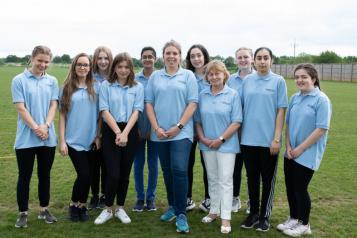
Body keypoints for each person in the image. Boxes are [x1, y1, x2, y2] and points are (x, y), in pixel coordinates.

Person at [145, 40, 198, 233]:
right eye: (168, 53)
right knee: (167, 171)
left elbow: (193, 103)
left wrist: (179, 126)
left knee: (179, 169)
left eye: (175, 53)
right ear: (163, 56)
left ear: (180, 55)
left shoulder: (188, 76)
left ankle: (182, 213)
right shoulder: (155, 77)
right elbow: (149, 103)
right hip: (159, 133)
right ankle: (172, 207)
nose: (171, 56)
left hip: (181, 133)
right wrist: (156, 127)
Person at [278, 63, 332, 237]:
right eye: (297, 77)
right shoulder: (294, 97)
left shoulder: (321, 99)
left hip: (307, 152)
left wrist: (300, 149)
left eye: (304, 77)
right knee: (290, 187)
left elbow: (321, 129)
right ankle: (294, 218)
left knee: (300, 188)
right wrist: (288, 146)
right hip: (291, 152)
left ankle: (305, 224)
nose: (300, 80)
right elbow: (288, 124)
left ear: (313, 79)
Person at [240, 47, 288, 232]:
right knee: (252, 178)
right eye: (259, 58)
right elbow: (242, 108)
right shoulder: (248, 81)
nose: (262, 61)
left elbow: (281, 110)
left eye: (265, 58)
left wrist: (276, 138)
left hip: (269, 141)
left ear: (271, 61)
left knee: (267, 180)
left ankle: (264, 216)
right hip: (248, 140)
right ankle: (253, 213)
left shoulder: (278, 81)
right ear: (254, 61)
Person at [11, 45, 58, 228]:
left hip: (48, 137)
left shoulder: (52, 81)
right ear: (32, 59)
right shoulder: (18, 80)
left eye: (46, 62)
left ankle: (44, 210)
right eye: (40, 60)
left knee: (45, 176)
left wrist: (45, 126)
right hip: (26, 139)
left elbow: (54, 105)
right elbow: (21, 108)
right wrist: (36, 128)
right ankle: (23, 213)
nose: (43, 64)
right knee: (24, 176)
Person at [94, 53, 144, 225]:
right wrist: (117, 133)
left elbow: (137, 111)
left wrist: (125, 133)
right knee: (113, 174)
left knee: (124, 173)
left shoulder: (137, 87)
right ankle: (108, 209)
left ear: (131, 68)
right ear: (114, 67)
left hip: (130, 130)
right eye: (120, 67)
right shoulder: (106, 86)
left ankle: (120, 208)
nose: (123, 70)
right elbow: (104, 110)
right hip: (111, 131)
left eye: (126, 67)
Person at [195, 60, 242, 234]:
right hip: (207, 144)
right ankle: (214, 211)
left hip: (226, 145)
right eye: (211, 74)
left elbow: (236, 121)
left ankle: (226, 217)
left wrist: (220, 139)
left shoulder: (233, 95)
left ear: (224, 75)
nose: (214, 77)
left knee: (225, 181)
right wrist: (202, 138)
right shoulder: (202, 95)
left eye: (217, 73)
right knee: (212, 179)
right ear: (207, 77)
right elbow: (198, 121)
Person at [58, 53, 100, 222]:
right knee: (83, 174)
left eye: (86, 65)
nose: (83, 67)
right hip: (73, 141)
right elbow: (62, 116)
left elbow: (100, 115)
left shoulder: (96, 87)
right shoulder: (67, 87)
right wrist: (62, 141)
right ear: (74, 66)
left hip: (91, 141)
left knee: (89, 176)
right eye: (80, 64)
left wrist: (98, 136)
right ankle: (73, 205)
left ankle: (82, 206)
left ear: (90, 68)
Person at [227, 47, 254, 214]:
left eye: (246, 57)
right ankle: (234, 199)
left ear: (251, 59)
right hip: (235, 133)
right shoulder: (230, 80)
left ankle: (253, 200)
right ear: (236, 60)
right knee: (234, 169)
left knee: (252, 171)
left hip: (253, 133)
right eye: (240, 57)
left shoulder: (258, 78)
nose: (243, 60)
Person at [132, 47, 159, 212]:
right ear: (141, 59)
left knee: (153, 164)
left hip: (156, 129)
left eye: (150, 57)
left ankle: (150, 198)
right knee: (138, 164)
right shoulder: (134, 79)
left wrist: (153, 128)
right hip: (138, 129)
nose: (148, 59)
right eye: (145, 57)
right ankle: (140, 197)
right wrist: (136, 129)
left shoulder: (160, 77)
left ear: (155, 59)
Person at [185, 44, 210, 212]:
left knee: (208, 165)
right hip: (188, 128)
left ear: (205, 57)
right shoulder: (187, 77)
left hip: (208, 129)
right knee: (187, 164)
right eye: (192, 56)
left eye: (199, 55)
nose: (196, 59)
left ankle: (210, 198)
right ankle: (187, 198)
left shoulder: (213, 76)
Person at [88, 46, 113, 210]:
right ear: (95, 60)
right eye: (100, 58)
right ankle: (94, 195)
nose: (103, 61)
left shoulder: (114, 77)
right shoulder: (89, 78)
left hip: (109, 126)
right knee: (93, 165)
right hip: (91, 126)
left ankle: (105, 194)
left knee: (107, 164)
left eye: (106, 58)